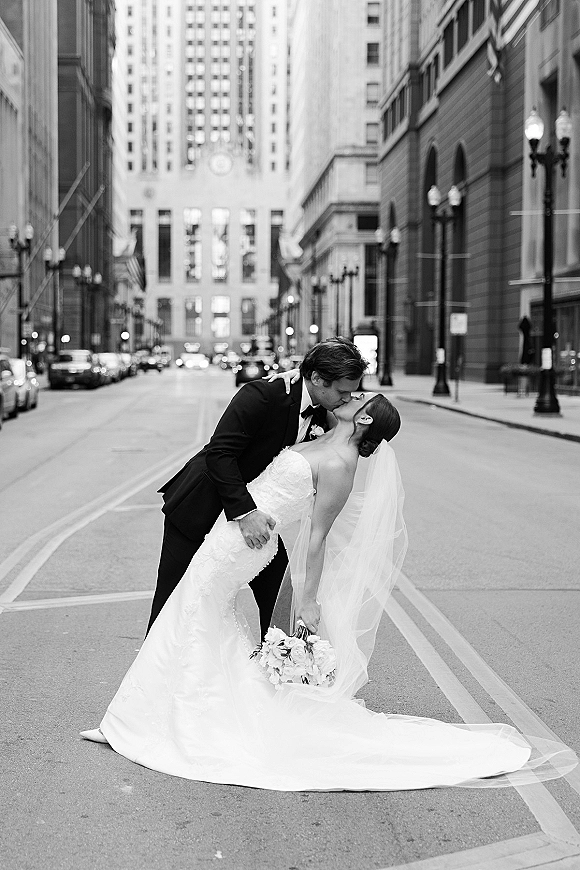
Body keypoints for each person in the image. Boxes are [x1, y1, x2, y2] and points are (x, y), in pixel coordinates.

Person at [81, 395, 575, 791]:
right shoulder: (320, 435)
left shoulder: (340, 464)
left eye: (357, 395)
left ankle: (145, 721)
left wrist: (309, 600)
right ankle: (154, 715)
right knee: (194, 616)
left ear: (362, 420)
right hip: (233, 533)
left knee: (190, 610)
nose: (347, 396)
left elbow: (316, 536)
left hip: (245, 544)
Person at [147, 337, 367, 638]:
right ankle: (156, 678)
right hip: (201, 509)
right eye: (342, 391)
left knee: (279, 600)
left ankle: (287, 671)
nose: (346, 398)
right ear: (316, 378)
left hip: (259, 523)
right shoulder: (262, 395)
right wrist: (246, 512)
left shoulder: (322, 413)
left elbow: (363, 422)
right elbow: (219, 454)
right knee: (171, 603)